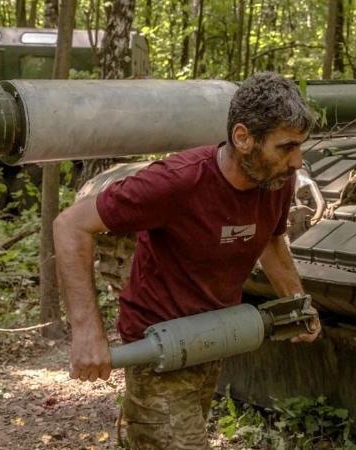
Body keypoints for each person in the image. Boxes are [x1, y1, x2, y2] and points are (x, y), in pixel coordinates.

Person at [53, 71, 322, 450]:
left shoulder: (275, 181)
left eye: (299, 147)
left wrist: (298, 303)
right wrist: (86, 331)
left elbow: (272, 242)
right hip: (158, 347)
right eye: (286, 147)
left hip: (213, 338)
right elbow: (70, 225)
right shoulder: (177, 181)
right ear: (243, 138)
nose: (297, 160)